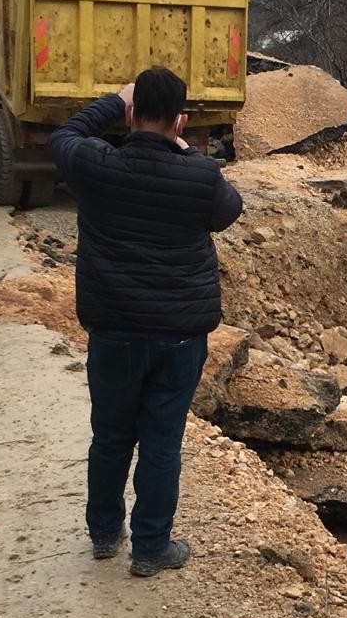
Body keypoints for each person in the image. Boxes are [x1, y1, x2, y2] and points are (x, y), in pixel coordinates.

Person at [48, 66, 244, 577]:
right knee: (162, 442)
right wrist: (188, 152)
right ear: (181, 120)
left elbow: (65, 134)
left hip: (113, 329)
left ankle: (104, 534)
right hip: (179, 334)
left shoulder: (95, 164)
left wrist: (113, 101)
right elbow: (229, 210)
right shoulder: (200, 174)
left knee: (110, 436)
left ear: (132, 114)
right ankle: (151, 548)